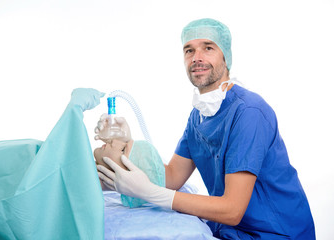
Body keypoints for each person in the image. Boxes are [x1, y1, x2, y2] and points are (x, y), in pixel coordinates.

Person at [97, 18, 315, 239]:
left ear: (225, 57)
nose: (197, 58)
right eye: (189, 50)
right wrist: (129, 146)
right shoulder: (199, 116)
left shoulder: (249, 113)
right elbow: (172, 176)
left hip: (275, 233)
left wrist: (153, 194)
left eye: (208, 48)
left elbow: (232, 210)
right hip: (232, 230)